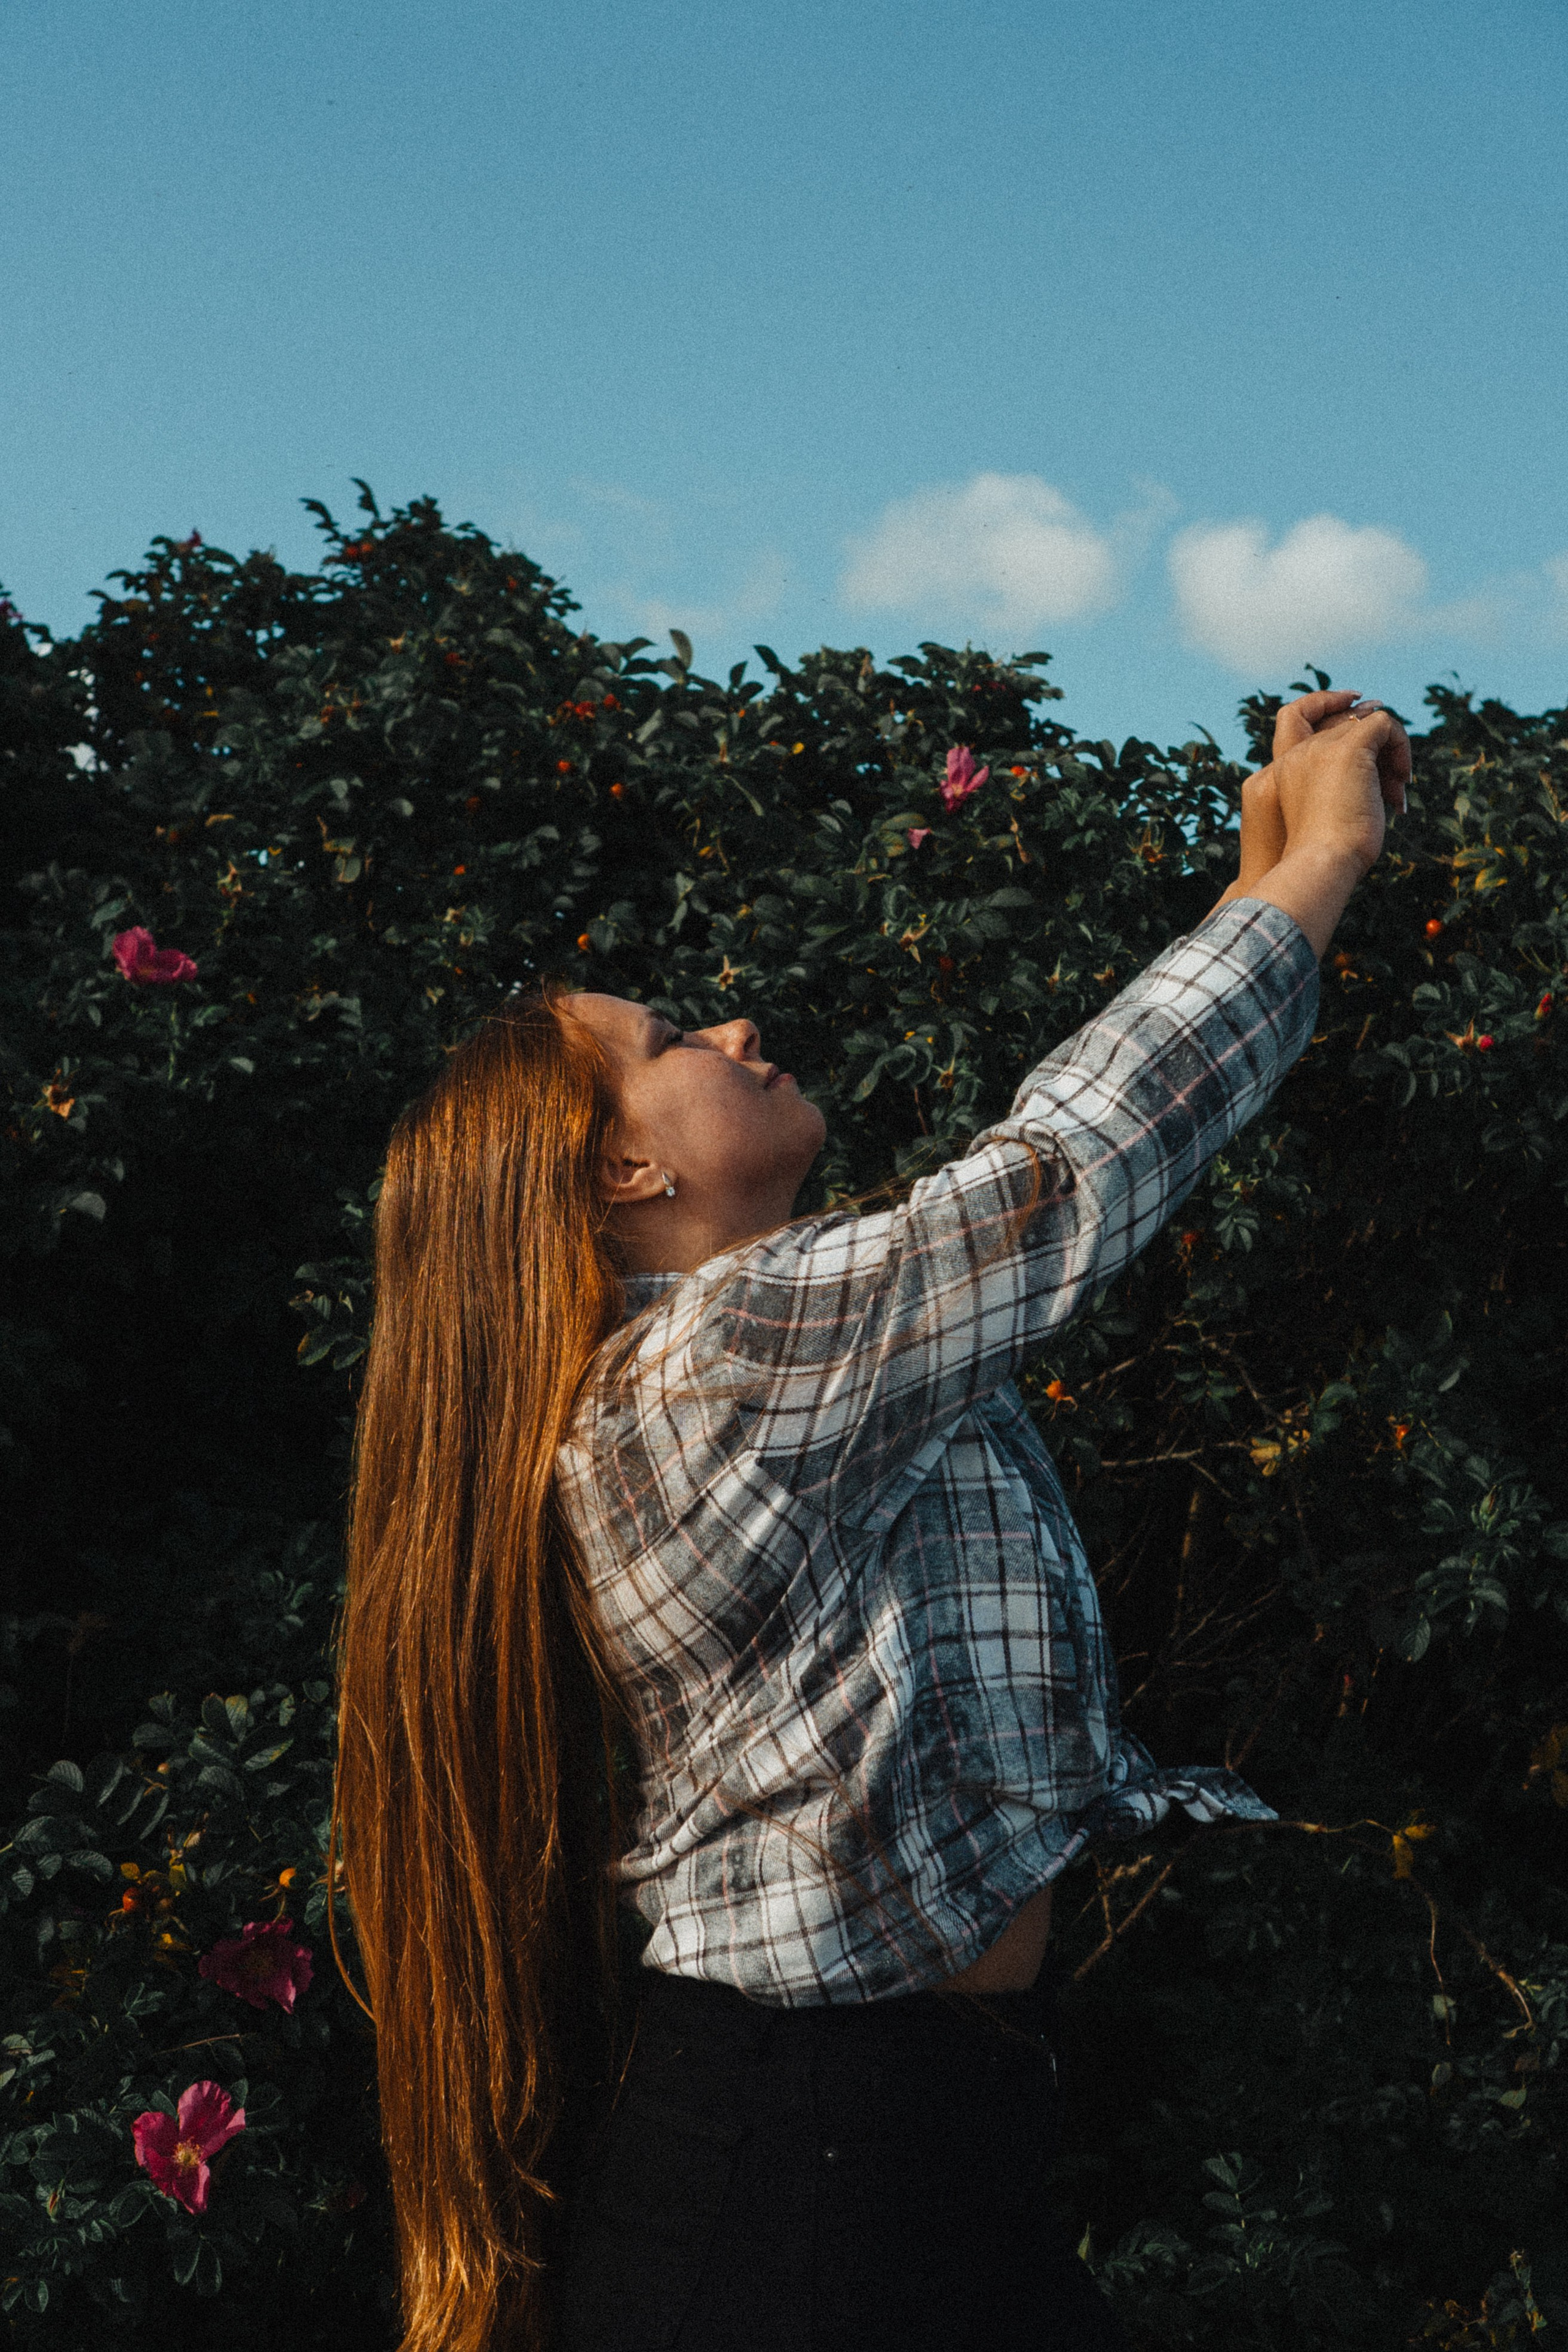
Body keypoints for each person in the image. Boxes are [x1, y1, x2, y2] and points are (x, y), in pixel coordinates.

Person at [333, 688, 1411, 2352]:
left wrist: (1255, 884)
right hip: (809, 2190)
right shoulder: (714, 1369)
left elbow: (1061, 1178)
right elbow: (1070, 1176)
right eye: (676, 1042)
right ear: (622, 1177)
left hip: (889, 2146)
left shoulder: (746, 1372)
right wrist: (1326, 857)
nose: (741, 1028)